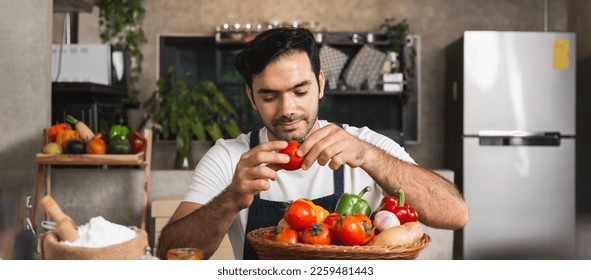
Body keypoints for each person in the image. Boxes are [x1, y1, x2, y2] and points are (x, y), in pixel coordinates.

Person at [156, 27, 468, 260]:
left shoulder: (367, 144)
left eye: (299, 91)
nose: (287, 109)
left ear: (320, 84)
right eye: (269, 96)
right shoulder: (229, 157)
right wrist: (231, 198)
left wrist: (370, 156)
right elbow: (168, 252)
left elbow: (455, 214)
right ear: (251, 97)